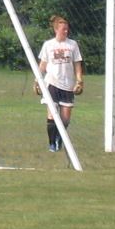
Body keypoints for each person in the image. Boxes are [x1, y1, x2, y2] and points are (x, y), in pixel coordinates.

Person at [37, 14, 83, 153]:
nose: (66, 31)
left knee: (65, 118)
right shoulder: (48, 45)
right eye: (63, 29)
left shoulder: (72, 44)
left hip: (68, 85)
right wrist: (37, 80)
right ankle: (52, 144)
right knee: (51, 114)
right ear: (56, 30)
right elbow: (43, 64)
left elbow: (77, 64)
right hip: (52, 83)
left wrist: (80, 80)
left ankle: (59, 139)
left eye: (67, 29)